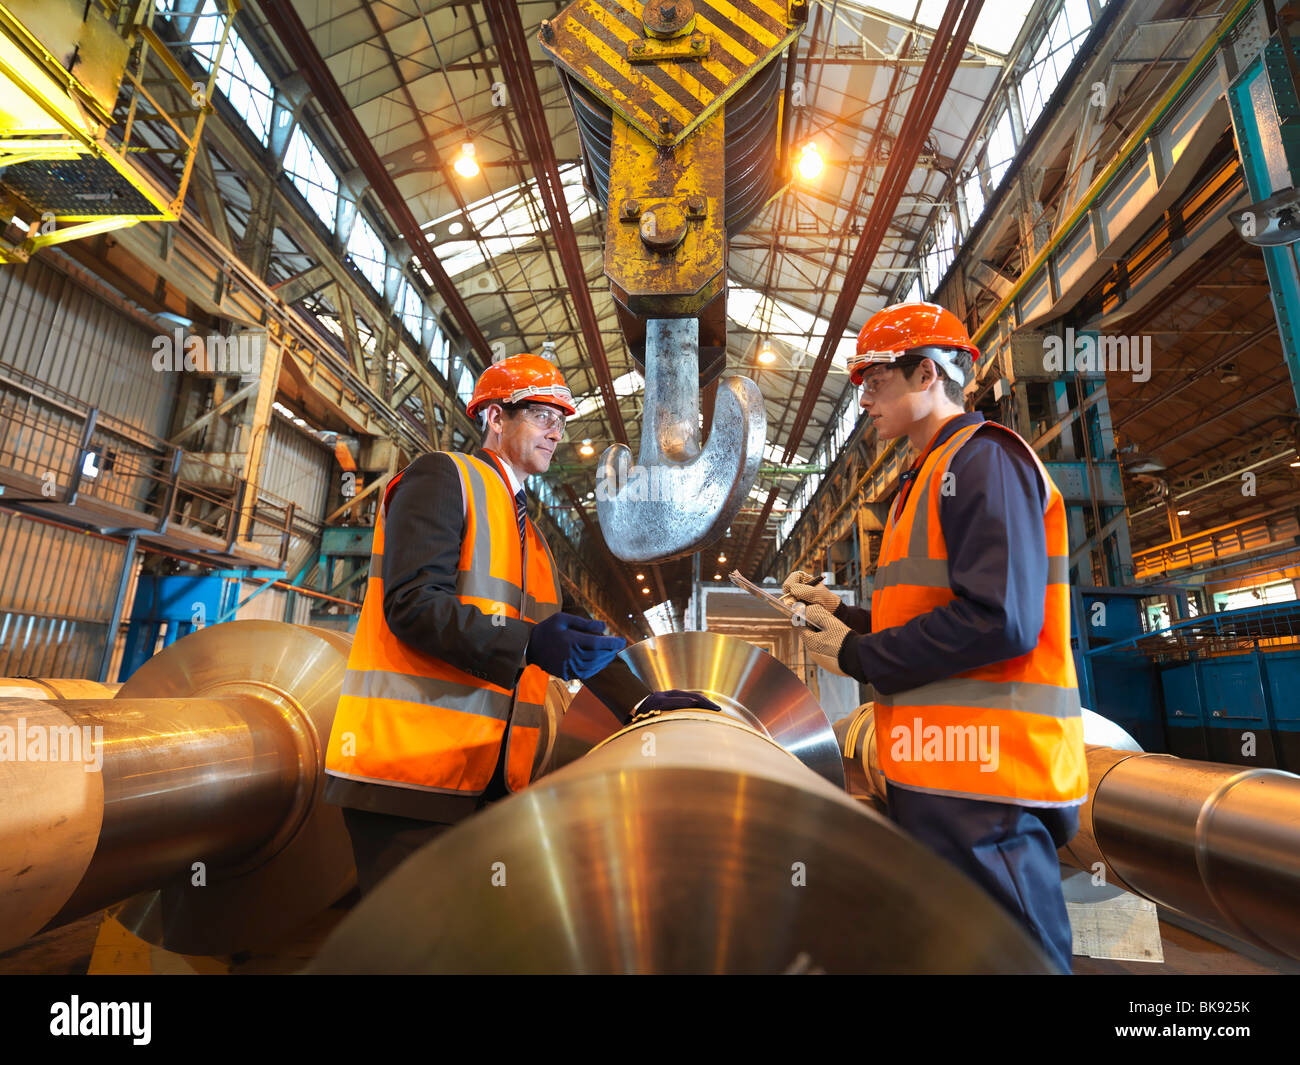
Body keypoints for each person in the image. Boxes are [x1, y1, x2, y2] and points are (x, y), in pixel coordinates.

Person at [324, 353, 715, 895]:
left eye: (561, 420)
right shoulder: (443, 478)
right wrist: (528, 642)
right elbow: (412, 604)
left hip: (486, 779)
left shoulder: (528, 533)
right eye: (541, 415)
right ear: (495, 418)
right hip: (409, 775)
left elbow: (569, 636)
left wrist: (641, 701)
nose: (555, 432)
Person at [782, 302, 1087, 973]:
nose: (863, 401)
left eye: (875, 381)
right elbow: (931, 614)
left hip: (990, 782)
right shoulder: (924, 477)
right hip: (943, 777)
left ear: (925, 373)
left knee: (1019, 961)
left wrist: (860, 654)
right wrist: (844, 613)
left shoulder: (984, 463)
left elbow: (1000, 618)